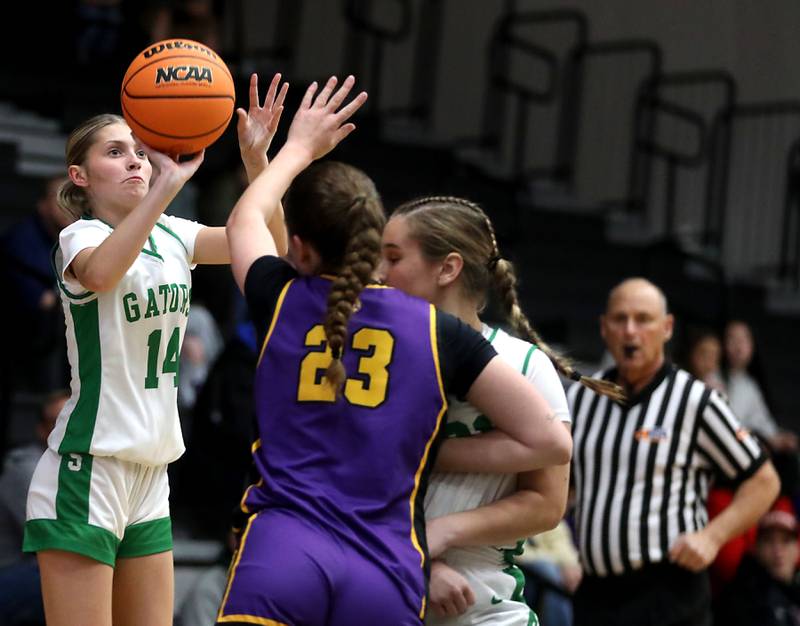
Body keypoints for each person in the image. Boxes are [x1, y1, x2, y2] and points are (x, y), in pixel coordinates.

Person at [218, 75, 571, 626]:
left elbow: (245, 221)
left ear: (300, 250)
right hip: (384, 564)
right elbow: (551, 440)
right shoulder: (437, 332)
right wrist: (419, 447)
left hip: (287, 545)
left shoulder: (285, 298)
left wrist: (292, 152)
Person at [21, 73, 289, 626]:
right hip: (88, 468)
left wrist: (260, 163)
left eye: (141, 152)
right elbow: (101, 274)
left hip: (152, 471)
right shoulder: (80, 237)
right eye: (116, 153)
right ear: (80, 175)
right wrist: (169, 183)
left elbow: (275, 252)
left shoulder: (175, 235)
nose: (137, 162)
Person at [379, 195, 622, 625]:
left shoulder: (525, 365)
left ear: (448, 268)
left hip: (482, 599)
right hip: (379, 581)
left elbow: (547, 504)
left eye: (393, 257)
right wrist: (418, 557)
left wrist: (443, 532)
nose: (379, 272)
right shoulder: (376, 355)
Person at [568, 277, 780, 626]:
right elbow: (565, 487)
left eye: (643, 319)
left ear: (667, 328)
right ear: (604, 329)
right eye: (620, 320)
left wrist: (712, 537)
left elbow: (764, 480)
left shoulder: (696, 400)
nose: (630, 331)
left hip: (668, 593)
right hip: (596, 594)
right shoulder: (582, 398)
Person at [0, 390, 67, 626]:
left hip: (36, 568)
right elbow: (53, 539)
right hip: (11, 571)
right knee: (70, 574)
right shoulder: (26, 468)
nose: (68, 429)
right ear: (41, 429)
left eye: (73, 420)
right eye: (58, 422)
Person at [714, 497, 800, 626]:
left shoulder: (794, 592)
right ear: (756, 548)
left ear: (797, 548)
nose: (778, 551)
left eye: (786, 541)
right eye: (768, 541)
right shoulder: (743, 598)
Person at [723, 320, 797, 453]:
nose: (738, 346)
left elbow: (762, 423)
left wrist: (777, 438)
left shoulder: (750, 384)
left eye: (744, 339)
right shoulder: (714, 379)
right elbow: (732, 427)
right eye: (732, 339)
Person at [686, 328, 726, 394]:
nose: (708, 362)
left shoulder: (718, 390)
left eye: (714, 356)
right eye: (705, 354)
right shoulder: (680, 381)